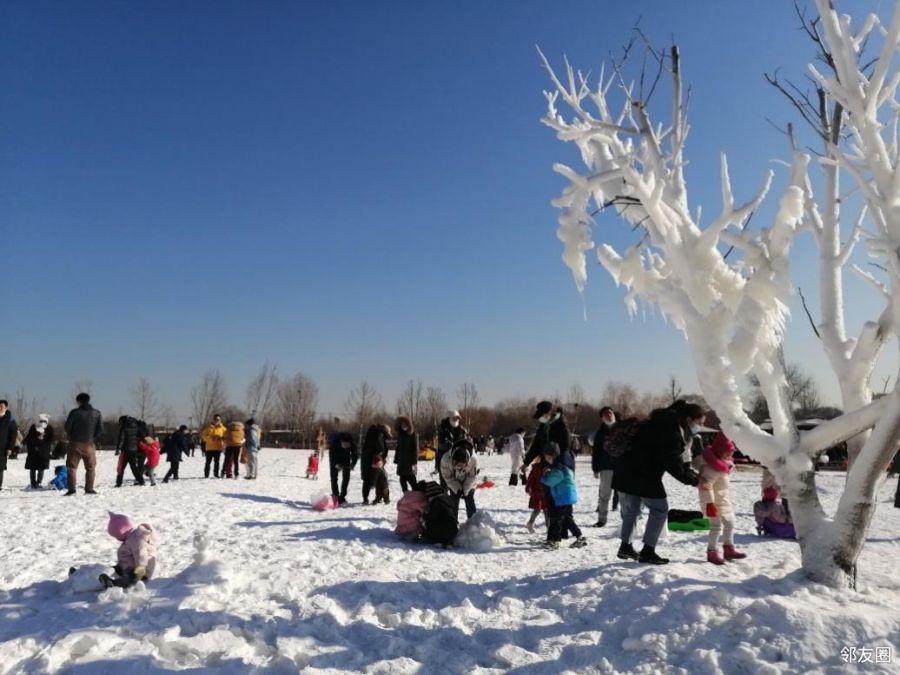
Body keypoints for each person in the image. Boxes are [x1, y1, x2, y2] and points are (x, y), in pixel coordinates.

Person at [613, 400, 701, 564]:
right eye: (698, 422)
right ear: (688, 419)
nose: (698, 426)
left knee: (632, 510)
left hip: (626, 471)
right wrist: (693, 479)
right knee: (660, 509)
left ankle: (625, 546)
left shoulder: (655, 421)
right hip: (645, 475)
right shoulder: (670, 430)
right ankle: (648, 551)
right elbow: (672, 462)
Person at [694, 432, 746, 564]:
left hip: (724, 500)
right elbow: (706, 486)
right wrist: (710, 504)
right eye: (727, 453)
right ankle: (712, 552)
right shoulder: (711, 468)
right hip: (713, 503)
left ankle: (729, 548)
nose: (730, 455)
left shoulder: (724, 465)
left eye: (731, 452)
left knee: (730, 523)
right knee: (716, 527)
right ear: (718, 452)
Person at [542, 442, 587, 550]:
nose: (546, 459)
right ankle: (580, 537)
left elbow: (552, 481)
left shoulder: (558, 467)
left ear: (552, 455)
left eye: (547, 457)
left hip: (562, 497)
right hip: (566, 496)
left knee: (557, 519)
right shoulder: (560, 465)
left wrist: (544, 477)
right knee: (567, 519)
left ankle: (555, 541)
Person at [99, 512, 157, 589]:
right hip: (129, 568)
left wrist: (140, 570)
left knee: (129, 579)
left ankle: (114, 584)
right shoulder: (131, 539)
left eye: (116, 536)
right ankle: (88, 575)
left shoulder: (137, 539)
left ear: (121, 531)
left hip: (141, 572)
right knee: (112, 569)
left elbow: (141, 555)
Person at [64, 393, 102, 496]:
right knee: (90, 468)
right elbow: (100, 430)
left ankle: (71, 490)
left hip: (75, 443)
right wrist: (92, 438)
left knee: (72, 468)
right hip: (89, 444)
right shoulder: (97, 413)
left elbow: (67, 427)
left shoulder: (74, 413)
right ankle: (89, 489)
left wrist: (72, 435)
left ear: (78, 401)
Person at [590, 406, 619, 527]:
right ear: (602, 418)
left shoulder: (623, 429)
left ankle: (627, 520)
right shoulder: (600, 433)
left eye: (610, 412)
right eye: (606, 414)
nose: (609, 415)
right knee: (604, 495)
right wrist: (596, 468)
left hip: (622, 467)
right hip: (606, 467)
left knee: (625, 495)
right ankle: (602, 519)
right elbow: (596, 452)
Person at [440, 441, 478, 520]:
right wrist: (458, 490)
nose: (458, 467)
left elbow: (472, 477)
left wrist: (465, 490)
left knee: (469, 498)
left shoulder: (474, 460)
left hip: (468, 481)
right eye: (455, 464)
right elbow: (448, 477)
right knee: (454, 500)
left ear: (466, 462)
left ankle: (473, 523)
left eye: (460, 465)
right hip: (453, 480)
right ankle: (453, 523)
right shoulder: (445, 459)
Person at [361, 424, 390, 505]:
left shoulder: (370, 433)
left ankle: (365, 498)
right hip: (376, 459)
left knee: (367, 479)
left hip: (366, 459)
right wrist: (382, 457)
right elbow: (381, 448)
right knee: (381, 479)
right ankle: (382, 497)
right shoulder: (379, 434)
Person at [24, 413, 54, 488]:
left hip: (43, 452)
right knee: (32, 468)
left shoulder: (49, 429)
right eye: (41, 421)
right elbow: (29, 438)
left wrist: (42, 443)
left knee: (41, 468)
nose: (42, 423)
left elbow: (50, 440)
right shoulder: (33, 428)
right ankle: (33, 483)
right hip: (33, 451)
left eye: (44, 421)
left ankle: (39, 482)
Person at [435, 411, 467, 482]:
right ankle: (444, 491)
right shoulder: (442, 428)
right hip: (444, 458)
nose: (456, 420)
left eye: (457, 419)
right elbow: (440, 444)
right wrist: (451, 445)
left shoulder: (461, 430)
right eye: (454, 418)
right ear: (450, 418)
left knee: (456, 482)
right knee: (444, 481)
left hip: (457, 460)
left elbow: (464, 443)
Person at [115, 416, 145, 488]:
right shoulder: (136, 427)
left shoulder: (124, 428)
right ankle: (141, 480)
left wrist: (118, 449)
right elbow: (142, 435)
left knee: (121, 467)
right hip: (134, 450)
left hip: (126, 450)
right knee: (134, 467)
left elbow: (121, 439)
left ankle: (119, 483)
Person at [329, 432, 358, 505]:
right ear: (341, 442)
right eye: (344, 444)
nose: (346, 446)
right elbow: (332, 456)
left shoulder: (352, 444)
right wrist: (335, 464)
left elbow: (355, 455)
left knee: (346, 478)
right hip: (335, 459)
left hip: (346, 459)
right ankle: (335, 494)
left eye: (347, 445)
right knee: (334, 477)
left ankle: (342, 496)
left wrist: (353, 464)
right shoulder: (335, 444)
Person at [394, 416, 419, 493]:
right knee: (402, 479)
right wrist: (396, 458)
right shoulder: (400, 435)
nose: (404, 427)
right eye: (402, 425)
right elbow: (398, 448)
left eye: (405, 425)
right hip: (401, 461)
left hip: (410, 462)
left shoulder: (413, 435)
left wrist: (414, 461)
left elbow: (415, 449)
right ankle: (406, 495)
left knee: (412, 479)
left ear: (409, 426)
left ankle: (416, 494)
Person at [0, 400, 18, 491]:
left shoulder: (10, 419)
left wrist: (10, 448)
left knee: (0, 467)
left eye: (1, 406)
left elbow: (13, 435)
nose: (0, 408)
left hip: (3, 448)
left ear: (6, 407)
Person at [201, 414, 226, 478]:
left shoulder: (223, 428)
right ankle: (206, 474)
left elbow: (226, 436)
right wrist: (211, 438)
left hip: (218, 448)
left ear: (220, 420)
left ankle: (216, 474)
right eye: (215, 419)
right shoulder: (208, 428)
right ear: (213, 419)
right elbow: (203, 436)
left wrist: (221, 438)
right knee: (208, 462)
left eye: (218, 419)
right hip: (209, 448)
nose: (216, 420)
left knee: (217, 462)